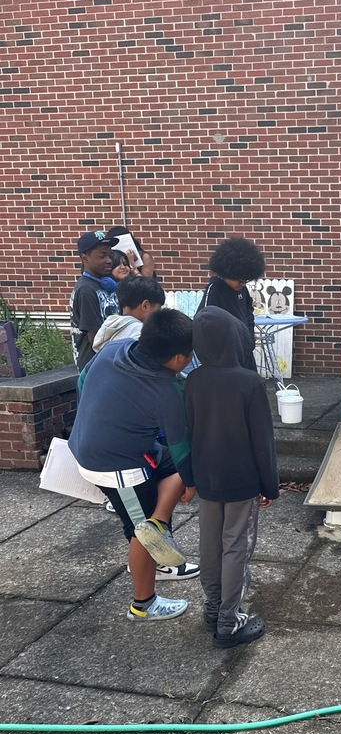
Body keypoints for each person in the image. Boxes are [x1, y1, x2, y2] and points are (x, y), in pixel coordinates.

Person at [68, 309, 197, 621]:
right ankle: (143, 604)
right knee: (139, 531)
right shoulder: (167, 391)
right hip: (114, 466)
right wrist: (193, 484)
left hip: (92, 442)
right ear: (179, 358)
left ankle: (160, 527)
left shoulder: (114, 348)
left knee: (165, 481)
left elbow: (83, 380)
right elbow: (182, 447)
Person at [185, 307, 280, 647]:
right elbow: (262, 440)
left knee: (210, 544)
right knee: (236, 546)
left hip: (207, 478)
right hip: (241, 481)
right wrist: (270, 484)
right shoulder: (249, 383)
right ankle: (229, 621)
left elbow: (191, 429)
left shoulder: (193, 380)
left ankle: (213, 608)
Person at [196, 237, 265, 348]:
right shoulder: (214, 289)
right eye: (241, 281)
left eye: (247, 281)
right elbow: (204, 320)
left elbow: (248, 312)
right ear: (227, 273)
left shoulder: (242, 289)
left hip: (244, 349)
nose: (243, 284)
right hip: (224, 353)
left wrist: (250, 336)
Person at [70, 230, 120, 371]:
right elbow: (96, 339)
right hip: (95, 367)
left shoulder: (106, 284)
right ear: (85, 258)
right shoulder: (87, 291)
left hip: (110, 360)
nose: (109, 260)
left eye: (110, 255)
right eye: (102, 256)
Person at [92, 274, 166, 353]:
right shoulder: (141, 335)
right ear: (145, 305)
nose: (158, 315)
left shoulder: (110, 326)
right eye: (158, 309)